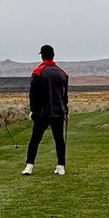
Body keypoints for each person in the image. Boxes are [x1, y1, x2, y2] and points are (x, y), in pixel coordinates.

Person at [22, 45, 69, 175]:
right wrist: (66, 111)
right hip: (58, 112)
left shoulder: (38, 72)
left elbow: (33, 94)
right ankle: (61, 167)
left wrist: (33, 110)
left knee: (35, 140)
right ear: (53, 55)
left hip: (42, 113)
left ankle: (29, 166)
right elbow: (65, 95)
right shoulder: (62, 73)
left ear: (42, 56)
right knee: (59, 140)